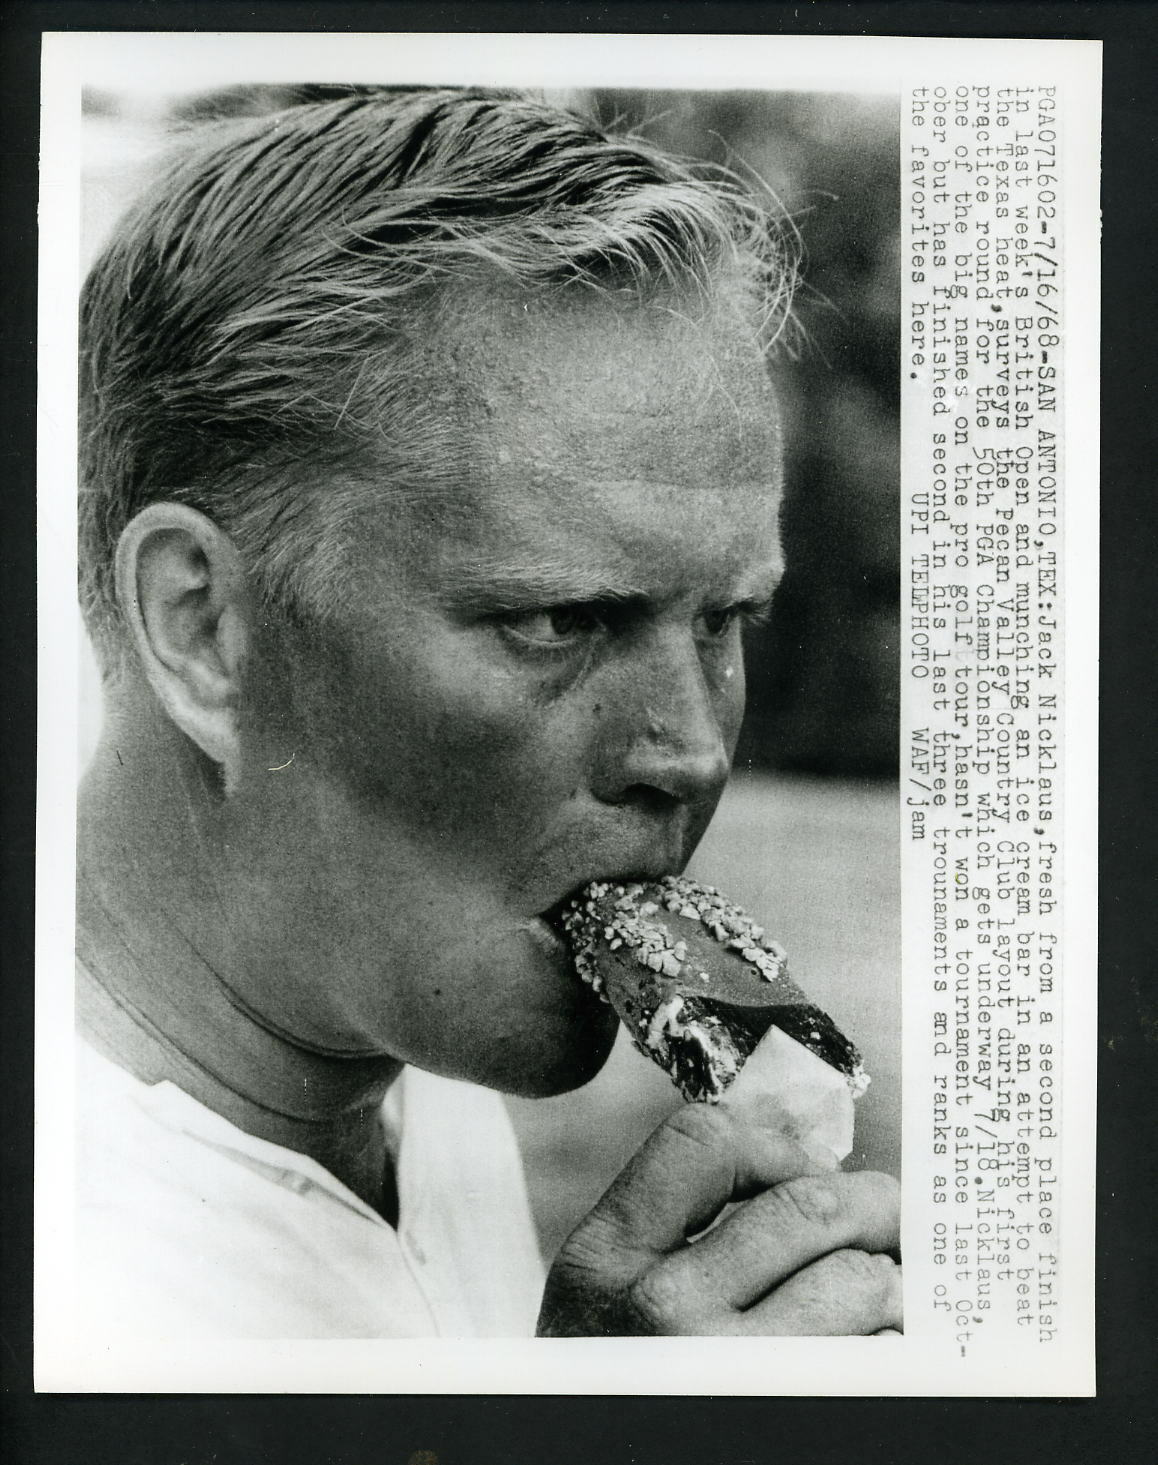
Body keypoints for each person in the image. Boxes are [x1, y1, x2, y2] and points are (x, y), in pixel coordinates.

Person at [75, 87, 901, 1338]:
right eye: (558, 622)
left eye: (727, 619)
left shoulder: (405, 1058)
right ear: (205, 631)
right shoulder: (77, 1267)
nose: (689, 750)